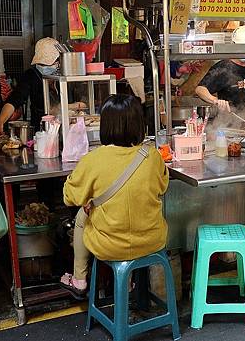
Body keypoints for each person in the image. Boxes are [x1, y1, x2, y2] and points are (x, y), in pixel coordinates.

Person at [60, 94, 169, 297]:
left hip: (109, 247)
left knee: (83, 215)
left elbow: (69, 197)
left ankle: (79, 279)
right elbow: (162, 187)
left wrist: (84, 192)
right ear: (139, 125)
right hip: (152, 241)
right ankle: (127, 284)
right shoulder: (152, 155)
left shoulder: (92, 160)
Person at [0, 37, 84, 135]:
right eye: (41, 64)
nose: (43, 67)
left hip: (69, 128)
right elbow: (14, 100)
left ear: (58, 62)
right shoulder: (31, 75)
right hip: (41, 130)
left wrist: (71, 106)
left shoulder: (64, 76)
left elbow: (81, 103)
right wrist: (0, 122)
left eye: (48, 64)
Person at [195, 26, 245, 112]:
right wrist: (215, 100)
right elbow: (200, 89)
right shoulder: (222, 67)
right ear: (234, 46)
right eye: (243, 47)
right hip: (227, 119)